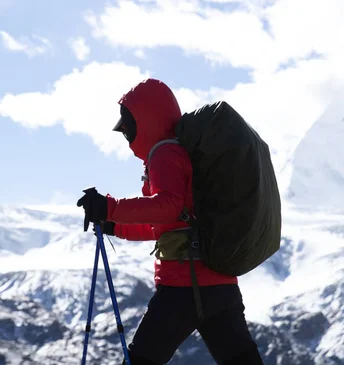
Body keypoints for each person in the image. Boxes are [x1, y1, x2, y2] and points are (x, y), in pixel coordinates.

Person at [76, 78, 264, 365]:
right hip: (218, 284)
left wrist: (109, 207)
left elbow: (167, 207)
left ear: (145, 119)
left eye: (127, 126)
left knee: (140, 361)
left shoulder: (164, 152)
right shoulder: (180, 152)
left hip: (182, 287)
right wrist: (114, 224)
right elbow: (167, 222)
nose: (125, 134)